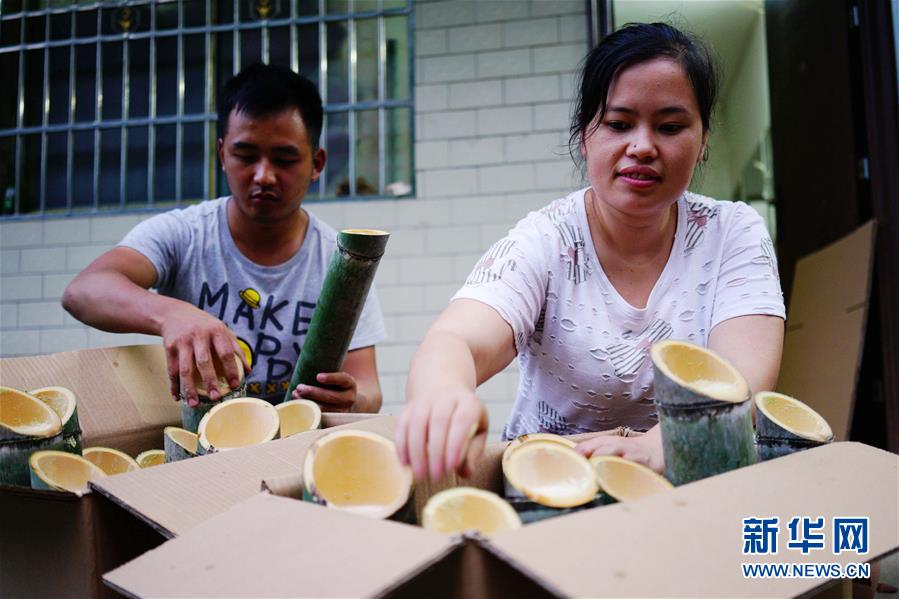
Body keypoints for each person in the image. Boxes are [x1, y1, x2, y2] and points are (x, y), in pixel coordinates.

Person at [395, 22, 785, 481]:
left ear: (703, 141)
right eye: (619, 124)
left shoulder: (732, 232)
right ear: (585, 136)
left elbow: (743, 377)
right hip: (550, 488)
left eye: (670, 126)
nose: (641, 146)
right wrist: (443, 393)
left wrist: (658, 444)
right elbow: (456, 340)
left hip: (689, 484)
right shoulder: (546, 239)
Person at [62, 64, 386, 413]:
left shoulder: (337, 262)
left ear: (317, 163)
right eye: (246, 156)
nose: (264, 176)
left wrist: (352, 398)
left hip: (293, 447)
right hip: (200, 443)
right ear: (222, 154)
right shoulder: (185, 233)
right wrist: (171, 314)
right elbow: (84, 290)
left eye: (285, 158)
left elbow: (369, 389)